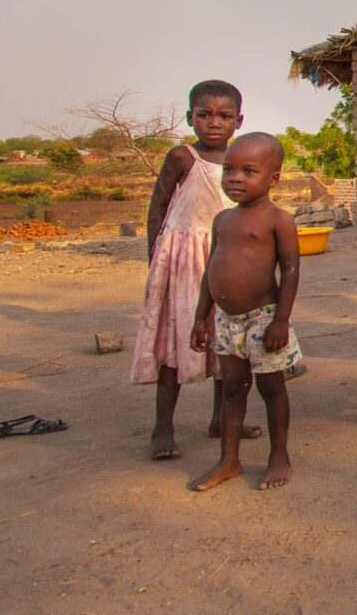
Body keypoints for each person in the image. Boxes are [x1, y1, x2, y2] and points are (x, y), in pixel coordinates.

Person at [130, 80, 262, 460]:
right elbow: (158, 207)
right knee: (178, 341)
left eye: (223, 116)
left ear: (239, 120)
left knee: (230, 346)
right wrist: (156, 259)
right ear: (190, 117)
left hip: (227, 262)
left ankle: (221, 419)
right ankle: (163, 427)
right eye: (204, 115)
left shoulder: (241, 162)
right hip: (184, 264)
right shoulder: (181, 157)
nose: (213, 123)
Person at [190, 133, 303, 491]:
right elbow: (211, 269)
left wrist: (281, 320)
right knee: (232, 390)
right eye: (229, 170)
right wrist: (200, 316)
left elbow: (290, 270)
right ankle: (229, 459)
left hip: (263, 319)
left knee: (272, 389)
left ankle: (278, 456)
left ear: (273, 179)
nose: (235, 178)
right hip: (226, 321)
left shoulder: (278, 220)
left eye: (248, 171)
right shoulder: (222, 219)